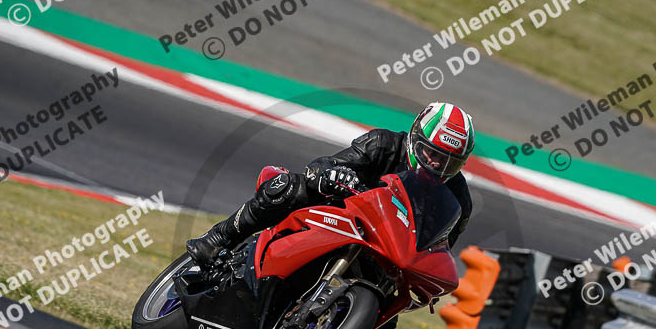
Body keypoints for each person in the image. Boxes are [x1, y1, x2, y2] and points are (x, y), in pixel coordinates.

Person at [187, 102, 475, 268]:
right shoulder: (383, 144)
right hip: (337, 215)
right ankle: (219, 238)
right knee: (286, 187)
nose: (437, 164)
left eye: (449, 162)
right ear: (415, 138)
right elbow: (323, 165)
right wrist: (336, 175)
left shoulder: (458, 198)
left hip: (382, 253)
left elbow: (440, 250)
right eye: (432, 153)